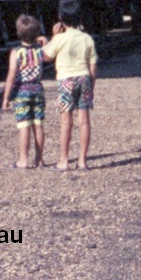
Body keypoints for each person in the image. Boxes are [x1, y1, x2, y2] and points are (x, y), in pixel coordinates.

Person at [41, 18, 98, 171]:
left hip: (66, 81)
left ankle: (64, 162)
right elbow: (93, 68)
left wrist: (52, 38)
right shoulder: (87, 38)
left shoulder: (59, 38)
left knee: (66, 122)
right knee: (84, 121)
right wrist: (91, 89)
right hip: (84, 78)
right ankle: (82, 161)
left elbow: (45, 57)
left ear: (62, 22)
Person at [1, 15, 46, 169]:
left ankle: (23, 160)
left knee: (24, 126)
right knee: (38, 125)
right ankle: (39, 159)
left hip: (22, 91)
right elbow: (48, 51)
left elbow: (11, 76)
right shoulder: (40, 50)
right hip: (38, 89)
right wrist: (44, 41)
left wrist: (6, 97)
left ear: (18, 33)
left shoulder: (16, 52)